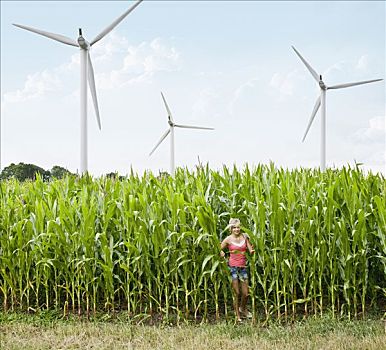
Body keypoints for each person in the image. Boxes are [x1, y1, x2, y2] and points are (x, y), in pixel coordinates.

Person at [220, 218, 254, 322]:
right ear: (231, 229)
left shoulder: (244, 237)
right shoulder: (228, 239)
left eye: (238, 227)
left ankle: (242, 308)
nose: (236, 229)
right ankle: (237, 315)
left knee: (245, 293)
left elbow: (250, 250)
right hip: (233, 268)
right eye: (234, 227)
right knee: (237, 293)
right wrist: (221, 253)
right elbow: (219, 248)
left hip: (243, 268)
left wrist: (253, 249)